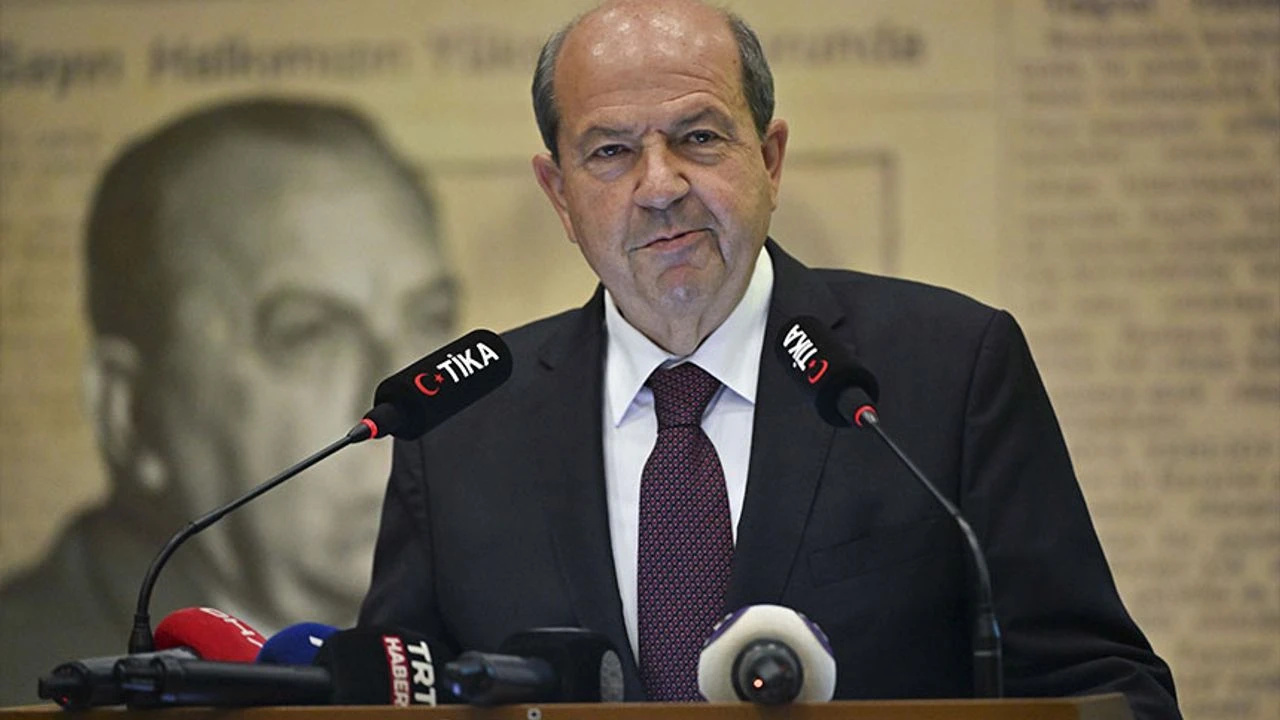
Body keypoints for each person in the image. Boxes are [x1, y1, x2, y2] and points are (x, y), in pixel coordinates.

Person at [359, 1, 1180, 717]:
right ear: (560, 195)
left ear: (770, 159)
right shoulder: (457, 429)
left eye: (699, 137)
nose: (659, 186)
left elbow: (1100, 687)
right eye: (610, 152)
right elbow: (388, 702)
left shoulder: (948, 369)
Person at [0, 97, 458, 704]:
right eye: (308, 333)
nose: (401, 388)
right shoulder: (30, 675)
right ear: (128, 411)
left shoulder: (479, 632)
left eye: (430, 319)